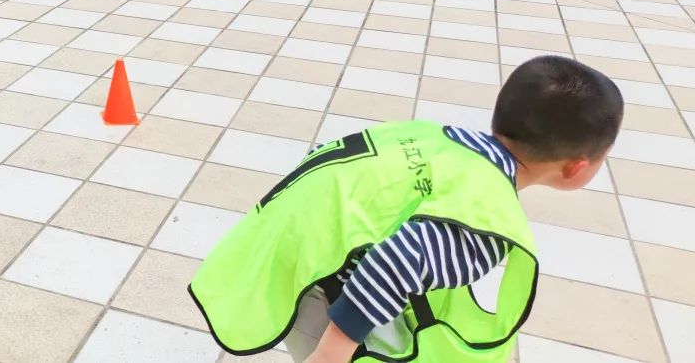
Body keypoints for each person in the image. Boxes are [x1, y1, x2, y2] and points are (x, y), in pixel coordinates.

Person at [189, 56, 624, 363]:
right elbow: (397, 263)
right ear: (577, 167)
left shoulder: (440, 139)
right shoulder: (484, 222)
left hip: (286, 249)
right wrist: (333, 352)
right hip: (318, 293)